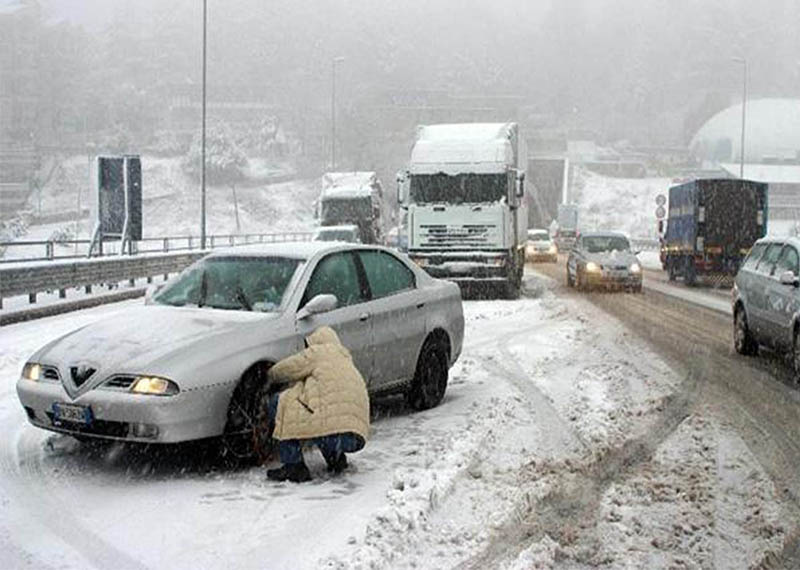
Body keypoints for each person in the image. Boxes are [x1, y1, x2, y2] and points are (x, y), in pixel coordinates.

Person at [265, 326, 370, 483]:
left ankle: (294, 466)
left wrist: (268, 374)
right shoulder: (345, 358)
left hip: (334, 435)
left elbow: (288, 369)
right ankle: (336, 459)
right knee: (326, 415)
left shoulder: (318, 352)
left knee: (281, 403)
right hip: (355, 437)